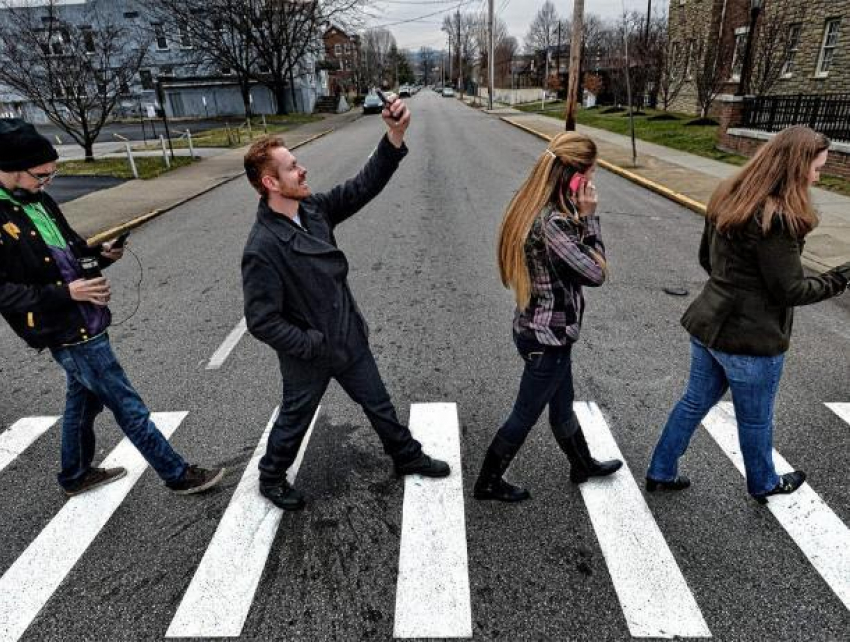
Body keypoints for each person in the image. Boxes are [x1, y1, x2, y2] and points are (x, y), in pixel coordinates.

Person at [241, 94, 449, 512]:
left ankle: (405, 456)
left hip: (348, 337)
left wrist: (394, 135)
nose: (303, 170)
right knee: (294, 419)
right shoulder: (262, 247)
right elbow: (261, 320)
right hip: (312, 352)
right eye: (292, 167)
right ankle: (271, 476)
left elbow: (362, 186)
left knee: (379, 402)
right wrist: (311, 344)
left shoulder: (313, 209)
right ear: (270, 183)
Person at [0, 118, 224, 497]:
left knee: (83, 403)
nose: (47, 181)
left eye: (53, 174)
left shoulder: (39, 199)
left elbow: (70, 251)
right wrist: (67, 294)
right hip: (66, 327)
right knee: (127, 404)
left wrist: (101, 255)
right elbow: (5, 292)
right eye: (41, 175)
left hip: (85, 315)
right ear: (8, 168)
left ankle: (75, 475)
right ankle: (177, 474)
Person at [646, 126, 850, 504]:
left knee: (693, 401)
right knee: (755, 419)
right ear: (796, 166)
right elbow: (791, 290)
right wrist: (840, 277)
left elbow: (707, 259)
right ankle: (764, 483)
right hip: (752, 340)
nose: (818, 176)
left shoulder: (728, 193)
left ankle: (661, 469)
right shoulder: (777, 217)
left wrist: (733, 288)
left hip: (709, 324)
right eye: (816, 169)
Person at [474, 132, 622, 503]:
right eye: (591, 174)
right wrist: (590, 219)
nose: (593, 183)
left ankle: (582, 464)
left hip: (544, 331)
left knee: (561, 406)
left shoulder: (536, 206)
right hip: (547, 338)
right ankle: (488, 482)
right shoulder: (552, 222)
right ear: (575, 177)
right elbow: (595, 273)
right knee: (524, 415)